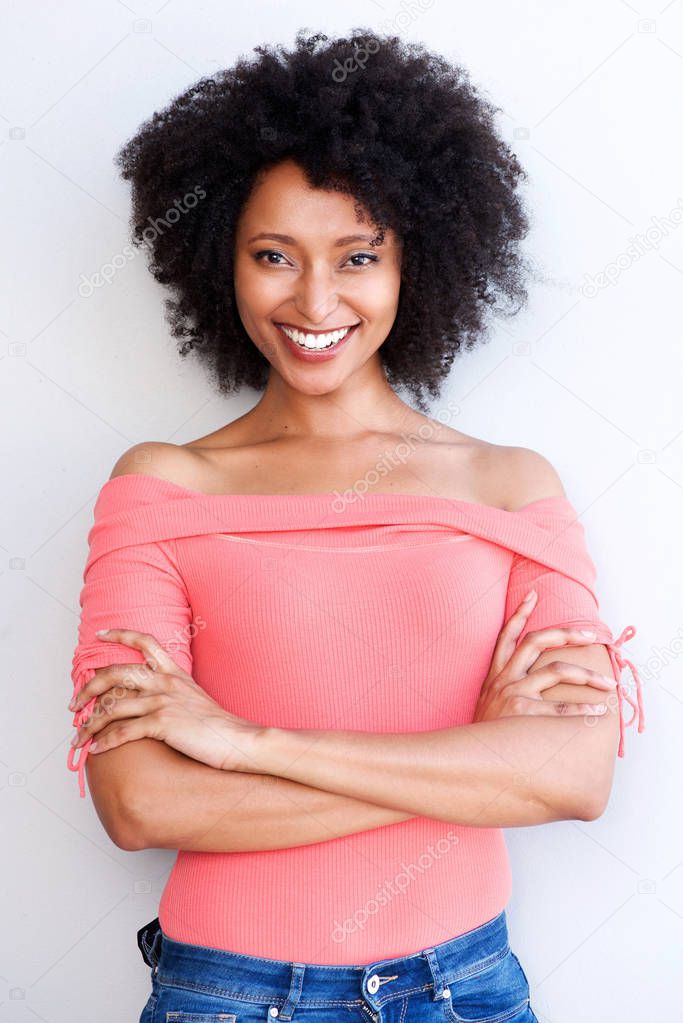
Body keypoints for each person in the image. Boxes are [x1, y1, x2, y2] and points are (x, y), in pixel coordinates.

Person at [66, 29, 644, 1022]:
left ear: (414, 257)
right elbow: (143, 805)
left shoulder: (507, 487)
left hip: (463, 991)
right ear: (221, 262)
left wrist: (242, 741)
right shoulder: (166, 485)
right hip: (228, 996)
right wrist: (475, 760)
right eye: (273, 256)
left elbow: (576, 775)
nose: (316, 300)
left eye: (357, 256)